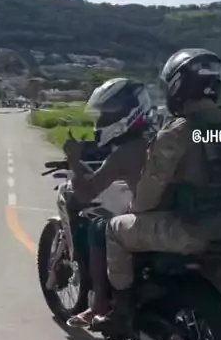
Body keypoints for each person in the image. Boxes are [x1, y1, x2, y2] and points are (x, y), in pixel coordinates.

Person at [95, 48, 221, 336]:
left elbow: (147, 196)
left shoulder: (177, 132)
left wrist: (132, 209)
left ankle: (121, 311)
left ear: (177, 86)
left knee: (115, 229)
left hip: (193, 231)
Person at [62, 78, 155, 327]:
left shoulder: (125, 152)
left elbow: (85, 193)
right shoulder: (158, 138)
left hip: (150, 220)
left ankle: (99, 305)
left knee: (98, 226)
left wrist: (74, 160)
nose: (102, 120)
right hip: (173, 213)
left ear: (129, 113)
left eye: (109, 113)